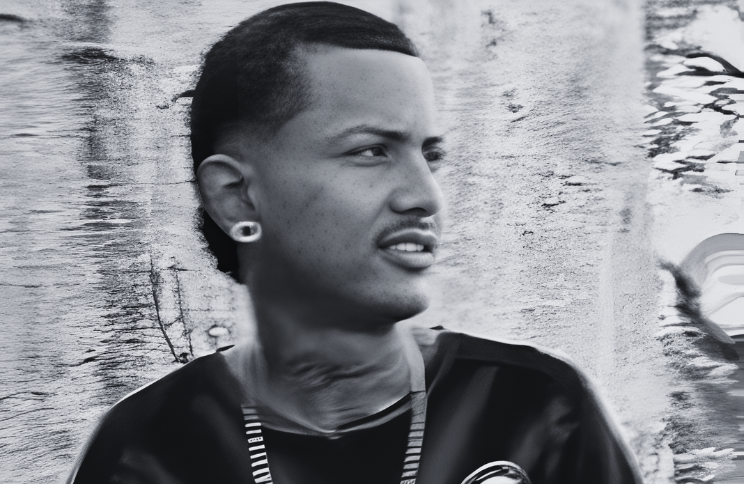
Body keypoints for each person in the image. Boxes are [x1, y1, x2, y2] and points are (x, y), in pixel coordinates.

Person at [67, 3, 643, 484]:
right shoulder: (146, 452)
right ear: (238, 198)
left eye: (430, 156)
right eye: (371, 151)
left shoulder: (535, 411)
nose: (426, 196)